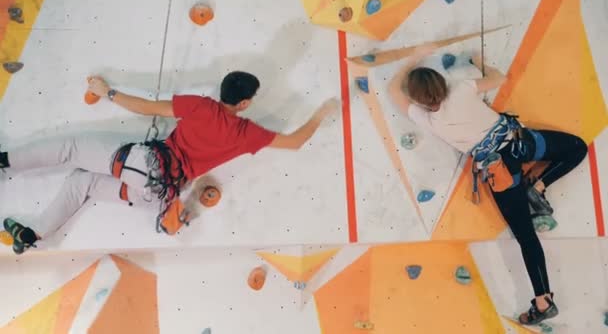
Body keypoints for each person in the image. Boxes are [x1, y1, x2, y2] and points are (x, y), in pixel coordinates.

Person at [0, 71, 339, 254]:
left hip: (145, 167)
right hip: (159, 196)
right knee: (81, 183)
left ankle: (5, 162)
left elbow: (147, 107)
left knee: (73, 148)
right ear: (246, 103)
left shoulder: (200, 106)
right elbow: (295, 142)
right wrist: (320, 114)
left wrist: (109, 93)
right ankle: (34, 234)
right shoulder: (246, 132)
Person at [388, 44, 587, 325]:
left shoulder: (428, 119)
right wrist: (482, 61)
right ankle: (539, 186)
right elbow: (498, 78)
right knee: (577, 148)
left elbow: (394, 89)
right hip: (521, 144)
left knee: (527, 237)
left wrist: (413, 58)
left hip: (500, 172)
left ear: (419, 101)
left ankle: (544, 300)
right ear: (442, 82)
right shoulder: (461, 89)